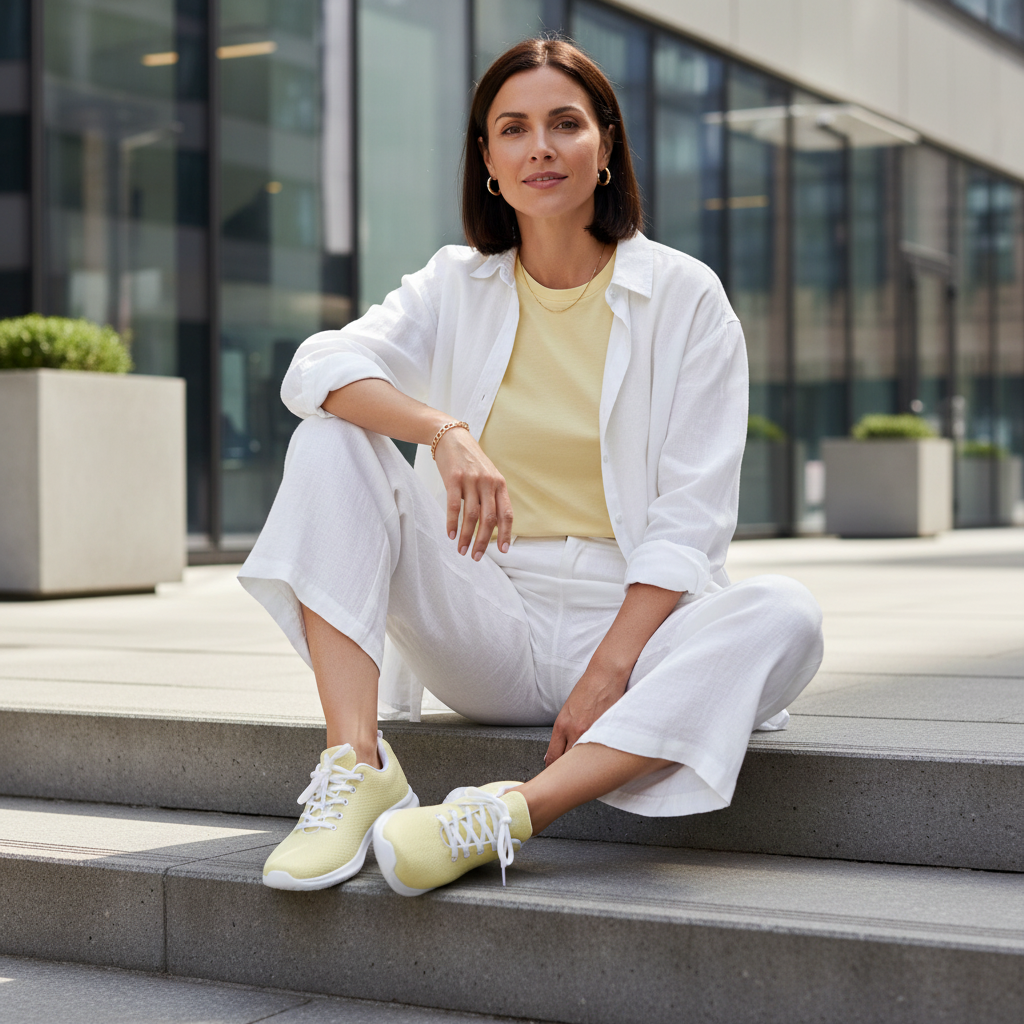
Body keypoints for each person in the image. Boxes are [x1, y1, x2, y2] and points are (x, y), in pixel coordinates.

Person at [239, 38, 823, 896]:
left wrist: (610, 672)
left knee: (788, 613)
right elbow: (317, 367)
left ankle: (506, 813)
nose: (539, 147)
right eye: (512, 129)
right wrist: (442, 429)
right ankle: (356, 764)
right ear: (488, 161)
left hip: (629, 623)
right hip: (483, 611)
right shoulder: (455, 284)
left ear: (607, 146)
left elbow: (692, 518)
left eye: (564, 124)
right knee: (331, 436)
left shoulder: (686, 295)